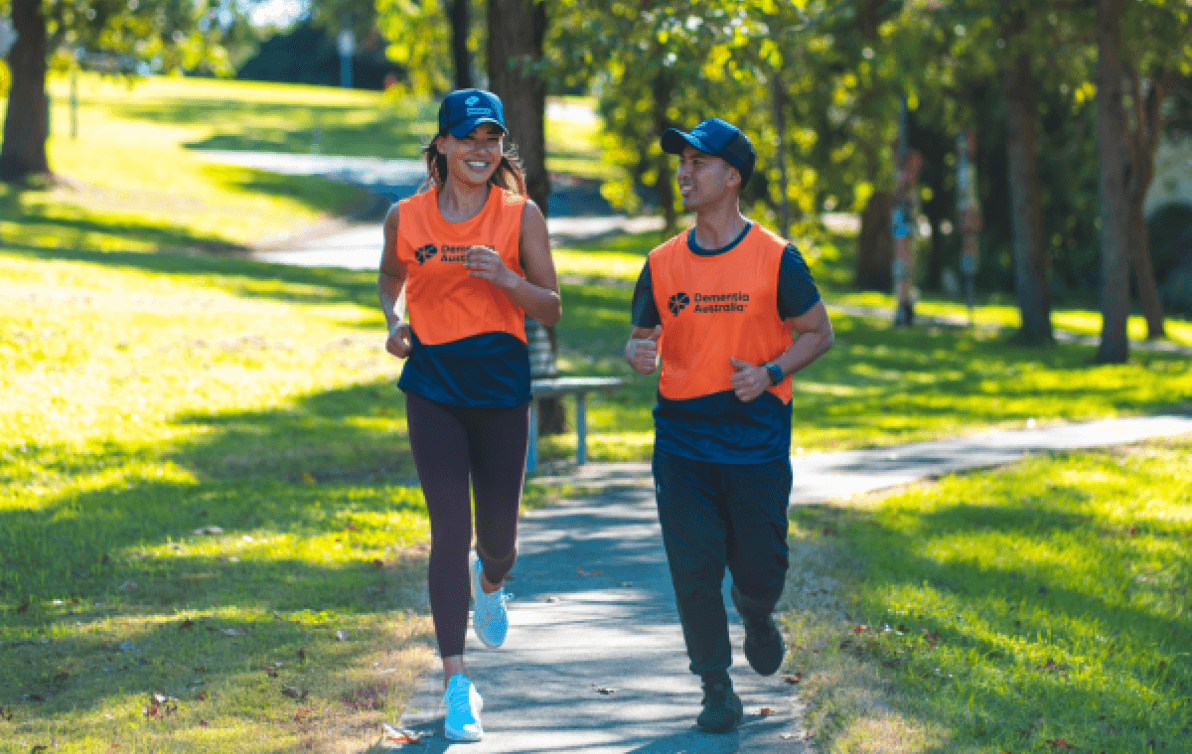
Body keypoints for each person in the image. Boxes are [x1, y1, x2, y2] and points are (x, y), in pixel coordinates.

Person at [625, 118, 834, 734]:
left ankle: (757, 610)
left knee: (761, 569)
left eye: (700, 163)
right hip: (683, 442)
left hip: (756, 438)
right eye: (681, 163)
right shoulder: (661, 262)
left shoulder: (776, 258)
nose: (685, 173)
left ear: (733, 176)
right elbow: (643, 340)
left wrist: (770, 371)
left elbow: (819, 331)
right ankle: (716, 687)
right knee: (693, 568)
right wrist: (638, 353)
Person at [377, 88, 561, 742]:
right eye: (469, 138)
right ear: (444, 146)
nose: (482, 150)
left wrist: (507, 281)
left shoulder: (521, 216)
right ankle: (458, 683)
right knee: (449, 530)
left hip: (502, 389)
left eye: (492, 139)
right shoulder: (407, 215)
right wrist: (394, 323)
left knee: (498, 542)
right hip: (432, 386)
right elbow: (389, 280)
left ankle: (493, 580)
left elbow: (551, 307)